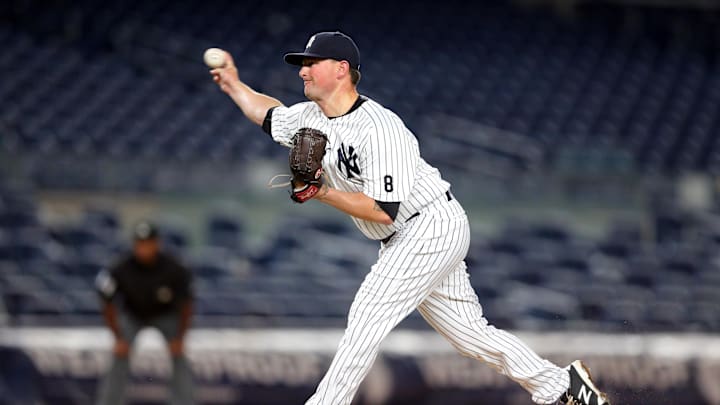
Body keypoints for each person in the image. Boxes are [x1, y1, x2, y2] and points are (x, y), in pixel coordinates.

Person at [209, 31, 611, 405]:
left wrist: (322, 192)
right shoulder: (309, 117)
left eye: (312, 63)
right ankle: (562, 387)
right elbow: (268, 113)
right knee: (470, 334)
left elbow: (384, 212)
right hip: (410, 235)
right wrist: (232, 84)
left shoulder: (380, 129)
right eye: (302, 63)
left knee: (368, 314)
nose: (302, 70)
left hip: (428, 224)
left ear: (341, 69)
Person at [95, 221, 195, 405]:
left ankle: (184, 402)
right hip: (133, 315)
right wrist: (117, 336)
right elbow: (105, 299)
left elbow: (187, 303)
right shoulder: (121, 267)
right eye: (140, 243)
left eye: (148, 243)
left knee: (179, 356)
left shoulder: (174, 267)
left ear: (157, 243)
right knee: (119, 355)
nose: (144, 248)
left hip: (166, 315)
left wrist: (180, 337)